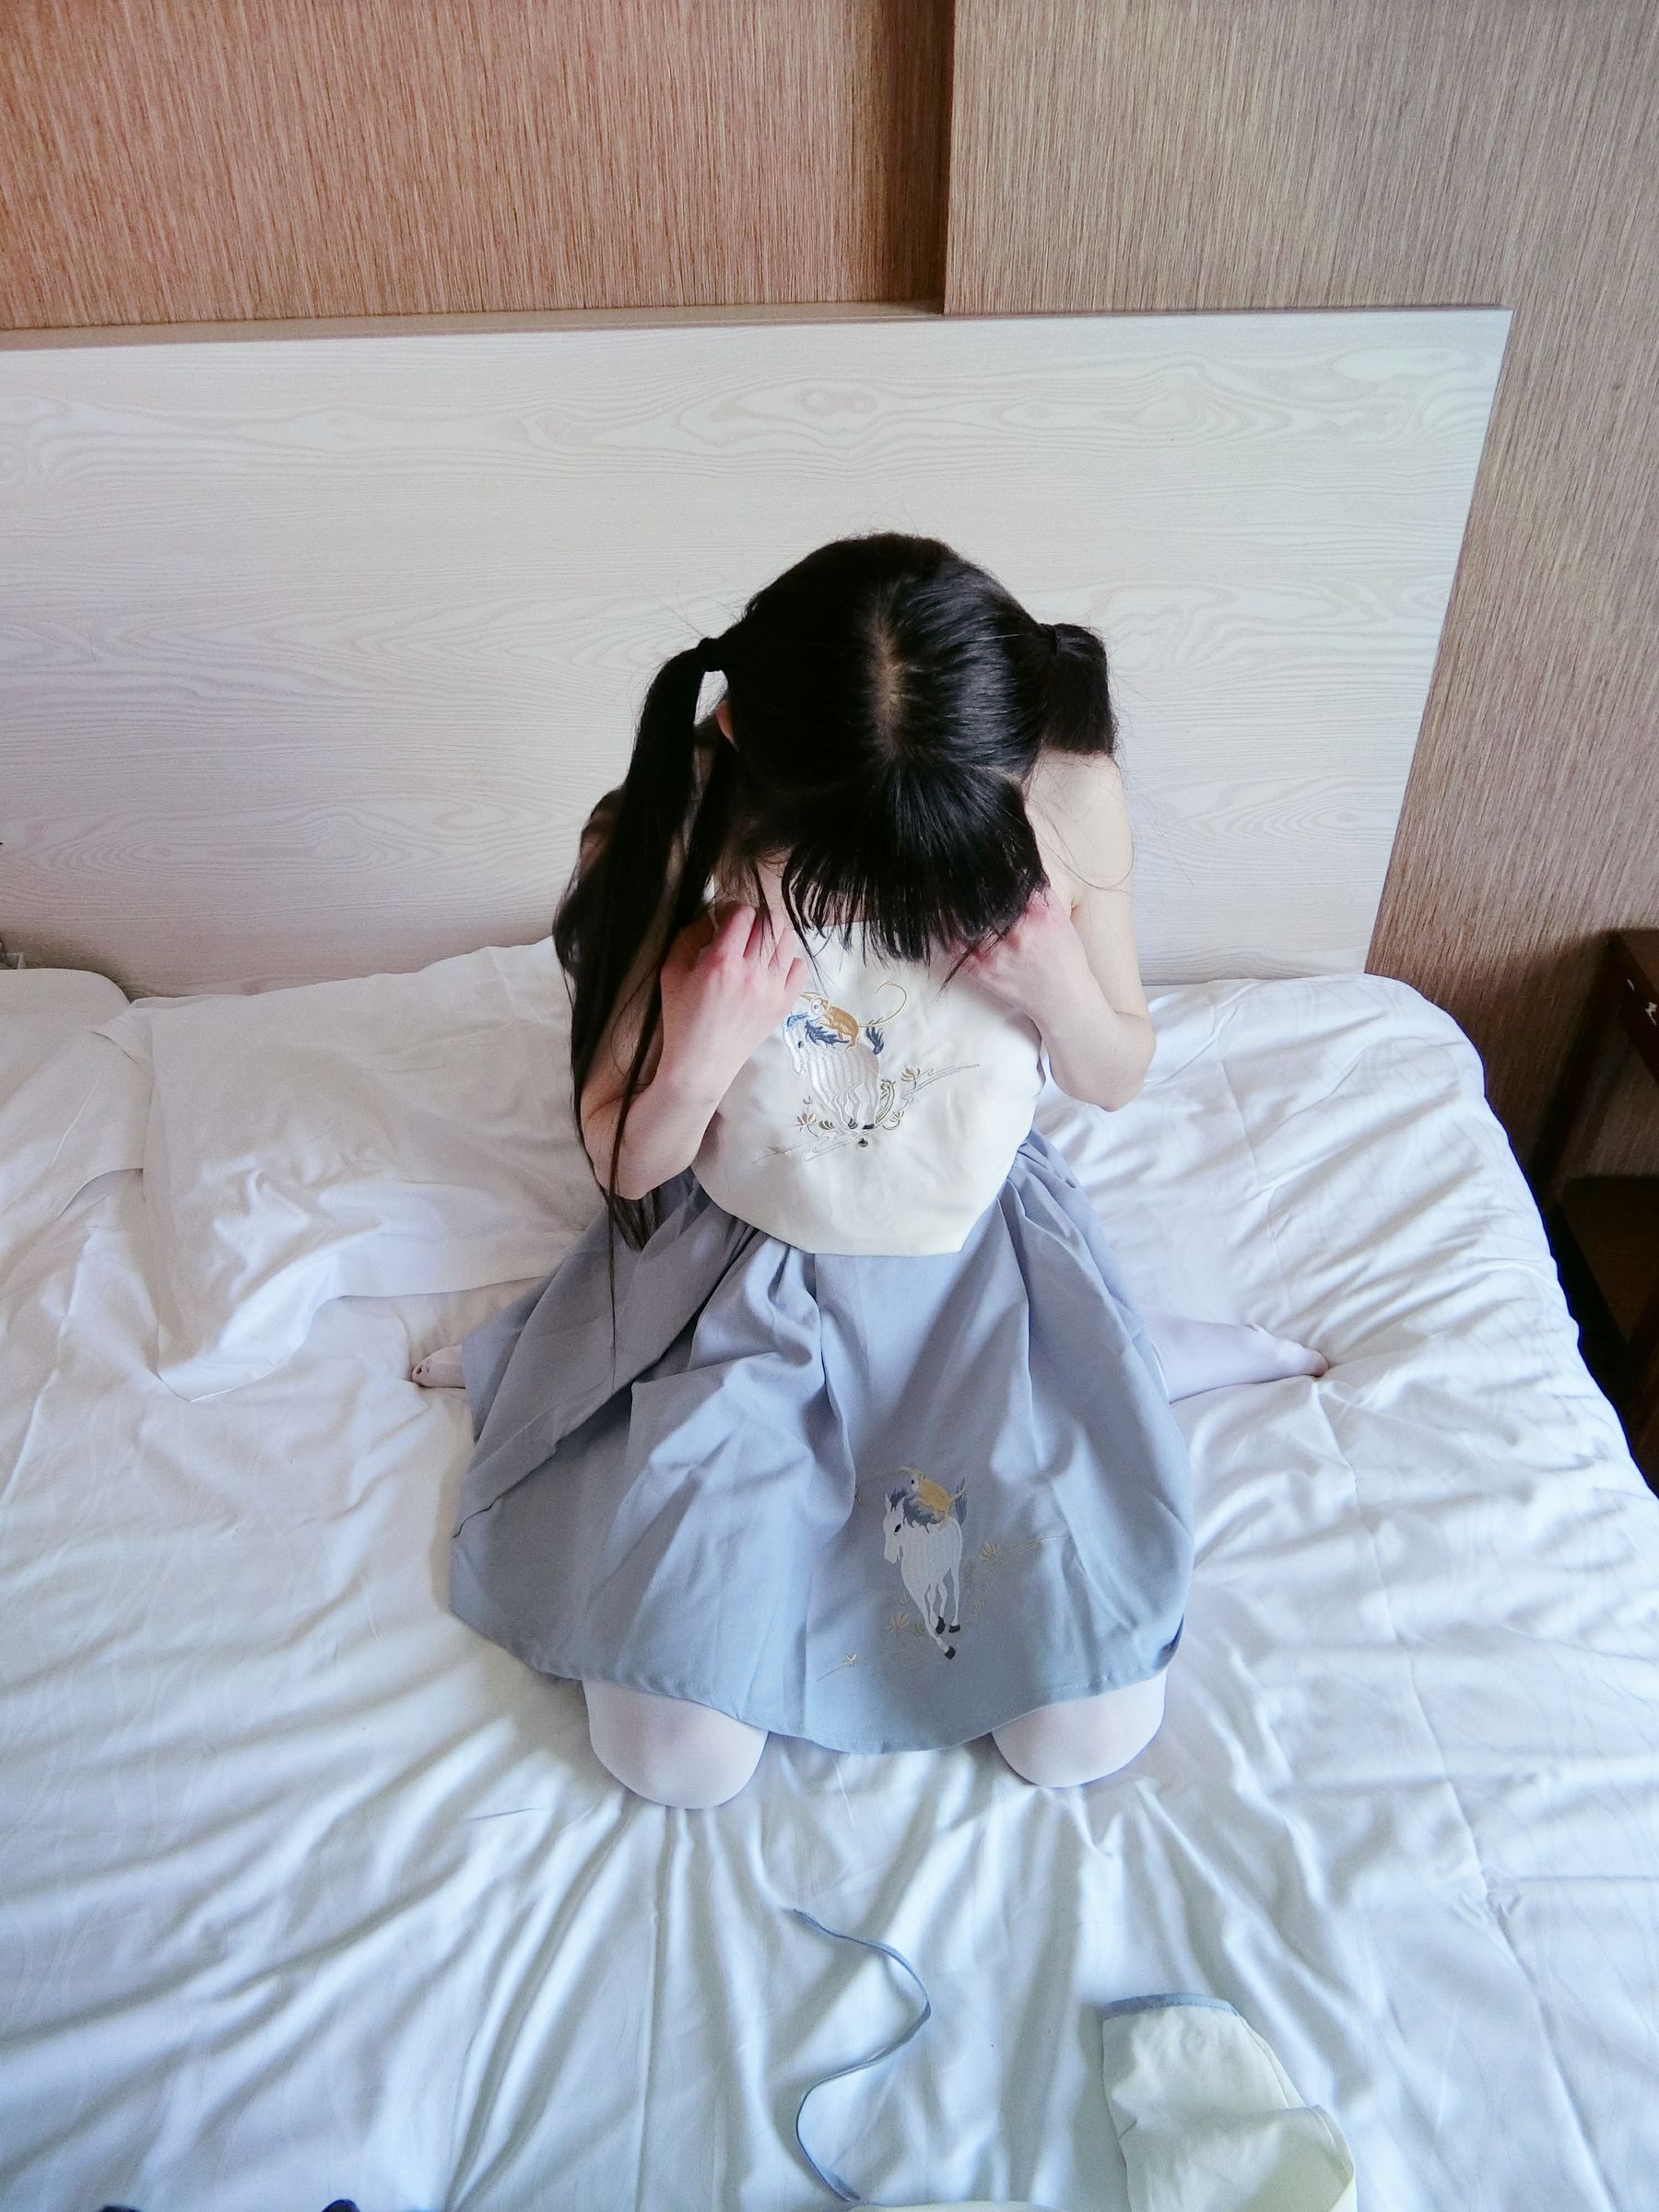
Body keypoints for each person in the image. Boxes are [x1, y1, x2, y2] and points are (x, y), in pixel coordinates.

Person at [429, 535, 1323, 1808]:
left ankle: (1129, 1346)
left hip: (980, 1282)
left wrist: (1059, 990)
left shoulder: (1066, 796)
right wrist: (699, 1051)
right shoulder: (681, 825)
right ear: (742, 737)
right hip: (743, 1285)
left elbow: (1116, 1068)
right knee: (675, 1760)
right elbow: (624, 1156)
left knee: (1079, 1736)